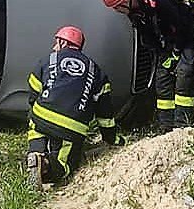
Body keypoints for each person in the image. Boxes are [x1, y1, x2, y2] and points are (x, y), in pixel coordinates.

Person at [25, 26, 126, 188]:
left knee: (36, 129)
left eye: (56, 42)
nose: (54, 47)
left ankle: (36, 154)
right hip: (71, 126)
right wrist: (111, 139)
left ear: (63, 42)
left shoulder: (49, 60)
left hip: (42, 115)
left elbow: (33, 88)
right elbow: (105, 113)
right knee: (67, 164)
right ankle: (46, 166)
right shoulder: (96, 71)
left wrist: (36, 109)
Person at [101, 0, 194, 130]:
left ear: (125, 1)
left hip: (188, 34)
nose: (117, 11)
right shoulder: (134, 13)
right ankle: (166, 127)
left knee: (185, 74)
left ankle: (183, 125)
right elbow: (148, 37)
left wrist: (176, 53)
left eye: (117, 7)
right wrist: (162, 54)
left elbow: (181, 25)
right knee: (162, 81)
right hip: (168, 40)